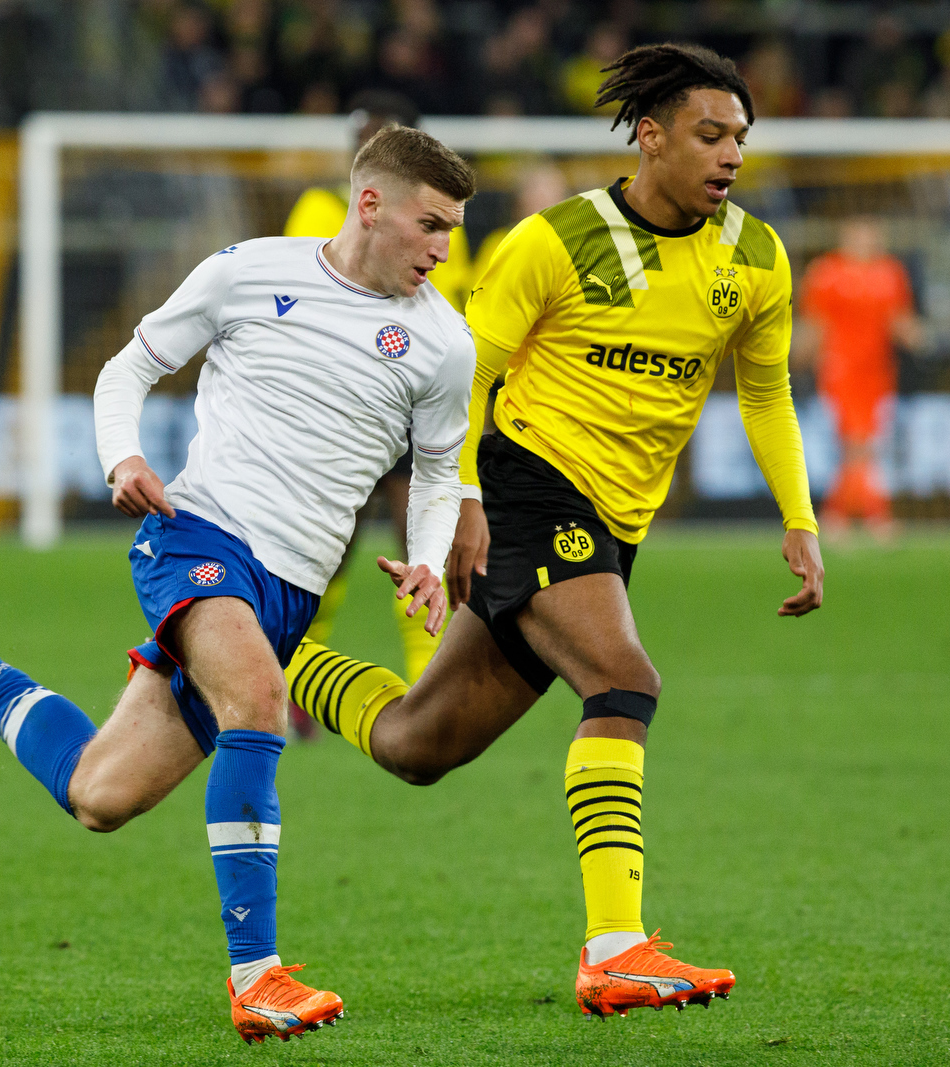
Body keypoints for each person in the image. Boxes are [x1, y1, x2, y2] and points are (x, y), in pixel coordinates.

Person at [0, 125, 477, 1045]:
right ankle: (258, 977)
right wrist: (123, 456)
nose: (442, 249)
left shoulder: (443, 345)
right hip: (198, 538)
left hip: (290, 589)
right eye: (431, 225)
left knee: (100, 795)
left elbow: (435, 471)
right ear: (371, 204)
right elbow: (129, 367)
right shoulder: (246, 271)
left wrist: (425, 556)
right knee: (260, 701)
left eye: (454, 232)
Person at [281, 43, 824, 1018]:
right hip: (528, 487)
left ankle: (255, 646)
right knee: (622, 680)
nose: (730, 153)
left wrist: (798, 516)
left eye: (740, 136)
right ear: (649, 137)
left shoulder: (755, 256)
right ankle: (616, 946)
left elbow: (767, 386)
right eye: (710, 133)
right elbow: (464, 377)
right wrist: (462, 501)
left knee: (416, 743)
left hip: (612, 524)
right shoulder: (555, 240)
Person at [284, 89, 473, 687]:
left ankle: (425, 680)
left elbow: (455, 310)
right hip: (336, 402)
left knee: (419, 534)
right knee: (327, 540)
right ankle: (296, 666)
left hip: (412, 400)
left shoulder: (445, 225)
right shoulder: (317, 208)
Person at [797, 215, 920, 538]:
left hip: (878, 370)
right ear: (845, 239)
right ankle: (876, 516)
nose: (865, 242)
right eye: (858, 236)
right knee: (857, 443)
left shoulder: (890, 273)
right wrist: (801, 355)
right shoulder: (827, 273)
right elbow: (816, 323)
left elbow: (899, 319)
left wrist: (920, 337)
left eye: (870, 236)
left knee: (863, 444)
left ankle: (836, 516)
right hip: (840, 368)